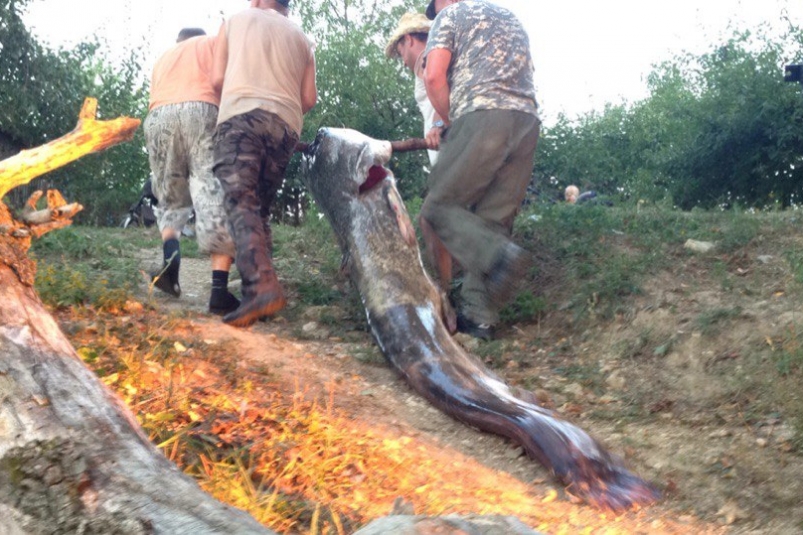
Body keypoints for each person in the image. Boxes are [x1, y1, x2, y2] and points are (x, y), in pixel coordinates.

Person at [421, 0, 541, 340]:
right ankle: (479, 318)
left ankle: (498, 256)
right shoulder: (508, 17)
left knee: (438, 207)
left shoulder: (450, 15)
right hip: (527, 120)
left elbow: (433, 75)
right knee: (493, 220)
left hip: (483, 114)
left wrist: (452, 121)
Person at [211, 0, 317, 327]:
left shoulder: (236, 20)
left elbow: (217, 80)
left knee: (241, 200)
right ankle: (260, 300)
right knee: (259, 209)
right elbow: (309, 99)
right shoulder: (302, 38)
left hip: (242, 115)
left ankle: (261, 288)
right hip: (285, 126)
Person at [144, 27, 240, 316]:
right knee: (211, 191)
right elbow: (225, 82)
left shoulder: (164, 57)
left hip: (158, 117)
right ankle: (219, 292)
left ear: (179, 41)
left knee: (170, 194)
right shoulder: (212, 43)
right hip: (202, 109)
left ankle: (170, 267)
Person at [385, 13, 453, 297]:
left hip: (450, 150)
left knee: (433, 219)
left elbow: (444, 83)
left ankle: (447, 293)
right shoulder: (434, 57)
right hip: (452, 149)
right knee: (448, 221)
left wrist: (438, 123)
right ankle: (454, 291)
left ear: (408, 39)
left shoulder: (428, 59)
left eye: (399, 49)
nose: (401, 58)